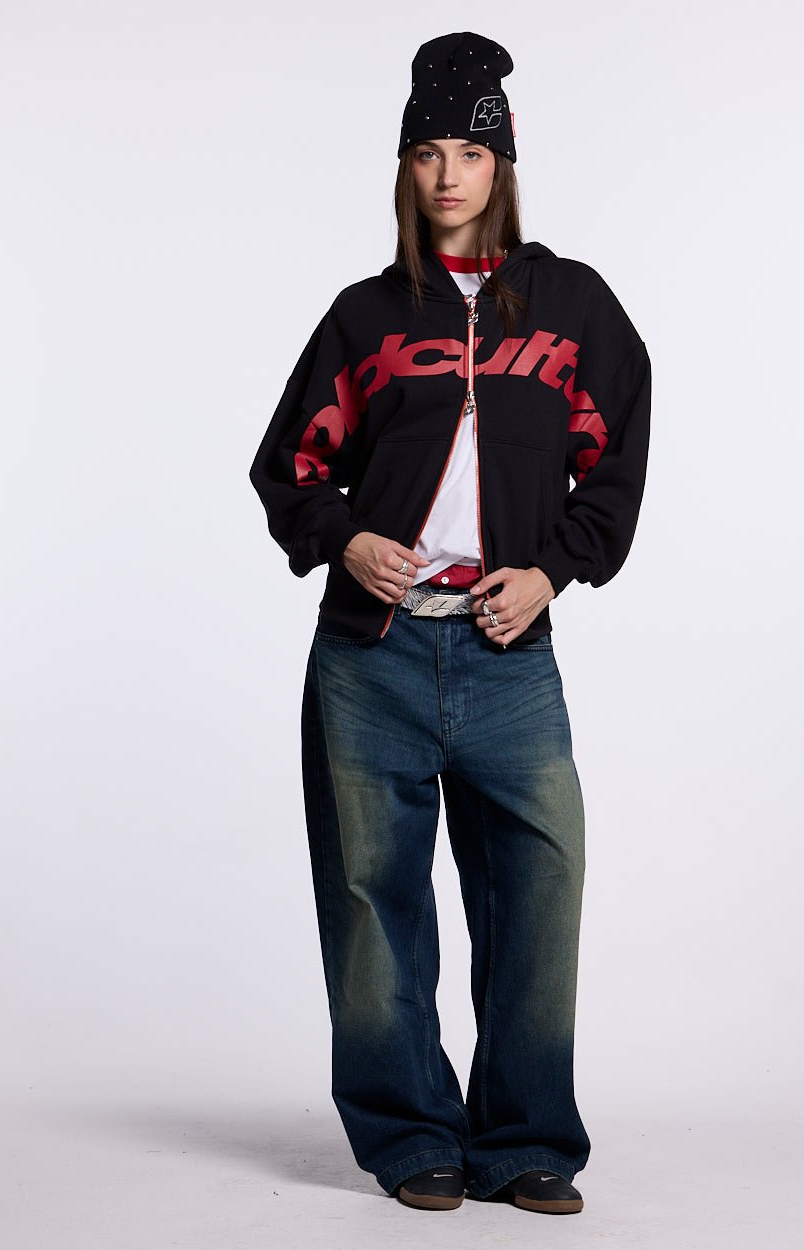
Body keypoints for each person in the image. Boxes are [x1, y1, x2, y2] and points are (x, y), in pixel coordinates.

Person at [249, 31, 651, 1216]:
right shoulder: (367, 317)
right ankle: (410, 1133)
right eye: (425, 152)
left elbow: (616, 460)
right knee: (374, 904)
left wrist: (552, 571)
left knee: (538, 894)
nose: (446, 175)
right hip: (369, 656)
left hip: (507, 651)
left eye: (468, 152)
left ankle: (524, 1138)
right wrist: (344, 538)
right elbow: (289, 465)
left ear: (502, 163)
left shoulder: (571, 308)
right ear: (404, 167)